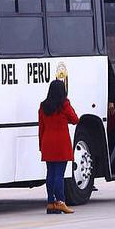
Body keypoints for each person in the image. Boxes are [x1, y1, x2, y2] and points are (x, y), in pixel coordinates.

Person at [38, 79, 79, 214]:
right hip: (61, 143)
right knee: (59, 175)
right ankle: (61, 202)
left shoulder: (43, 106)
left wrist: (41, 145)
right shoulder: (64, 105)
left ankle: (51, 202)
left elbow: (41, 128)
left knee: (50, 173)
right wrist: (68, 104)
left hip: (47, 142)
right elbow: (75, 120)